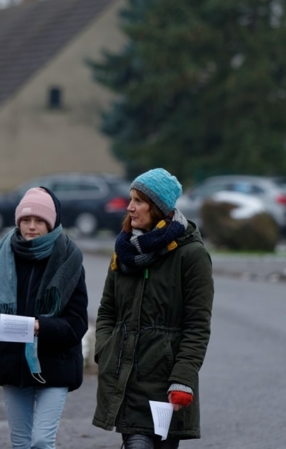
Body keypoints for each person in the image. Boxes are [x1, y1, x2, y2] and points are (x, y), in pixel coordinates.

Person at [92, 168, 214, 449]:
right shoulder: (124, 249)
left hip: (165, 384)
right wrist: (105, 349)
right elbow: (107, 310)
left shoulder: (191, 254)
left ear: (159, 208)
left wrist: (183, 379)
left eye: (139, 201)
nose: (130, 207)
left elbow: (197, 325)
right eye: (130, 199)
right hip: (127, 380)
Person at [0, 186, 89, 449]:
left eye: (39, 220)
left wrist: (42, 327)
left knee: (41, 441)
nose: (31, 226)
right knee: (21, 443)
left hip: (55, 364)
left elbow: (77, 323)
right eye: (26, 220)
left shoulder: (69, 260)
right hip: (13, 362)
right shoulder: (4, 256)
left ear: (51, 223)